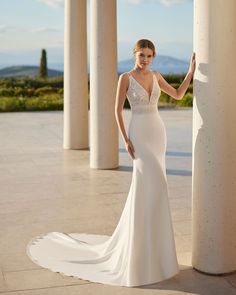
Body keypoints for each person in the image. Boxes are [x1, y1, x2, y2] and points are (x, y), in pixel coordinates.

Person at [26, 39, 196, 288]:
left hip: (157, 133)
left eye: (149, 55)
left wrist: (191, 71)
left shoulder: (157, 75)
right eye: (141, 55)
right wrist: (126, 140)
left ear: (153, 57)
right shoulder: (125, 78)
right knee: (145, 187)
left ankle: (158, 254)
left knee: (158, 188)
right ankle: (140, 256)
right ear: (134, 55)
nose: (145, 59)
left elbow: (179, 95)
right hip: (138, 132)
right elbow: (116, 110)